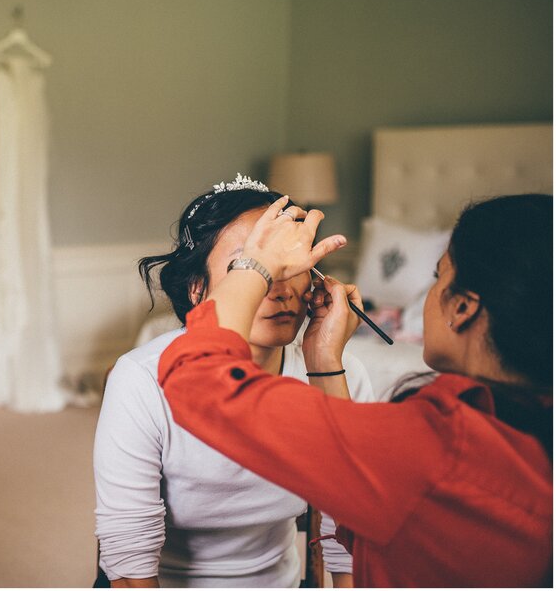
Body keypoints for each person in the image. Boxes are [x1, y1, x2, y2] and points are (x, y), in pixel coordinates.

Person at [158, 193, 553, 587]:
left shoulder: (433, 446)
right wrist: (325, 361)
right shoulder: (521, 427)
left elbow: (197, 379)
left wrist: (254, 265)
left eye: (437, 277)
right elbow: (361, 500)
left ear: (463, 308)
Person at [93, 175, 374, 587]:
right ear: (196, 289)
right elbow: (129, 556)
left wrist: (324, 364)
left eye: (289, 264)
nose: (279, 289)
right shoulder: (140, 380)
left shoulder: (335, 372)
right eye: (254, 267)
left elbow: (350, 530)